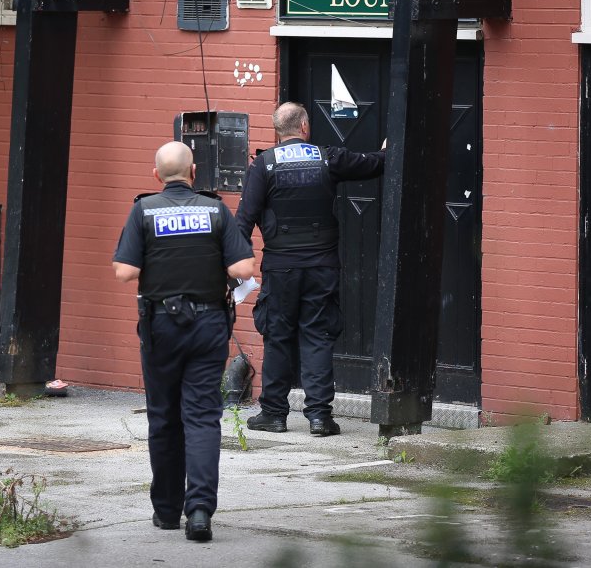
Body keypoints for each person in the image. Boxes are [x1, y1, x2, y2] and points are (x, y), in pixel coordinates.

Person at [113, 141, 254, 542]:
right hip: (209, 325)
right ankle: (199, 514)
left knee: (164, 417)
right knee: (203, 417)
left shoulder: (143, 210)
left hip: (161, 328)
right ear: (194, 173)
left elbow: (124, 271)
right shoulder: (216, 210)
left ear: (157, 175)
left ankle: (166, 511)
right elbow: (244, 267)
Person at [236, 102, 386, 436]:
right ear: (305, 126)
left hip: (281, 268)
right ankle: (319, 417)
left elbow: (243, 222)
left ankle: (274, 414)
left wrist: (234, 269)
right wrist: (390, 151)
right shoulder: (327, 157)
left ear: (278, 131)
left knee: (277, 337)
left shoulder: (263, 165)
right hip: (321, 266)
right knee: (318, 336)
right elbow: (373, 164)